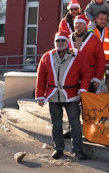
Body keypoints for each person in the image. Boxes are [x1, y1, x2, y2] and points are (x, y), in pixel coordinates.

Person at [35, 30, 91, 160]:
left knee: (75, 123)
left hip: (71, 95)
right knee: (56, 124)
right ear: (54, 42)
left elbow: (87, 73)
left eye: (63, 40)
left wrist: (83, 88)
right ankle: (58, 148)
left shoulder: (78, 55)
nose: (60, 43)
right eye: (57, 41)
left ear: (67, 42)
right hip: (53, 95)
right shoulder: (47, 56)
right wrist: (40, 95)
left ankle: (78, 150)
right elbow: (41, 77)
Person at [70, 15, 106, 93]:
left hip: (90, 78)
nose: (77, 25)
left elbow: (101, 60)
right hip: (72, 78)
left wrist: (97, 78)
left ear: (85, 25)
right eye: (76, 23)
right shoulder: (67, 39)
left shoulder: (94, 39)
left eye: (80, 23)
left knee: (87, 103)